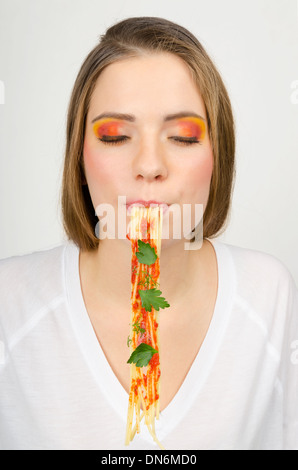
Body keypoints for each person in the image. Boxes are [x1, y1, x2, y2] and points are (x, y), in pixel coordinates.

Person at [0, 16, 297, 451]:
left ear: (219, 155)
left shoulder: (268, 295)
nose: (150, 165)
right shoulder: (9, 305)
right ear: (79, 159)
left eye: (182, 136)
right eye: (117, 136)